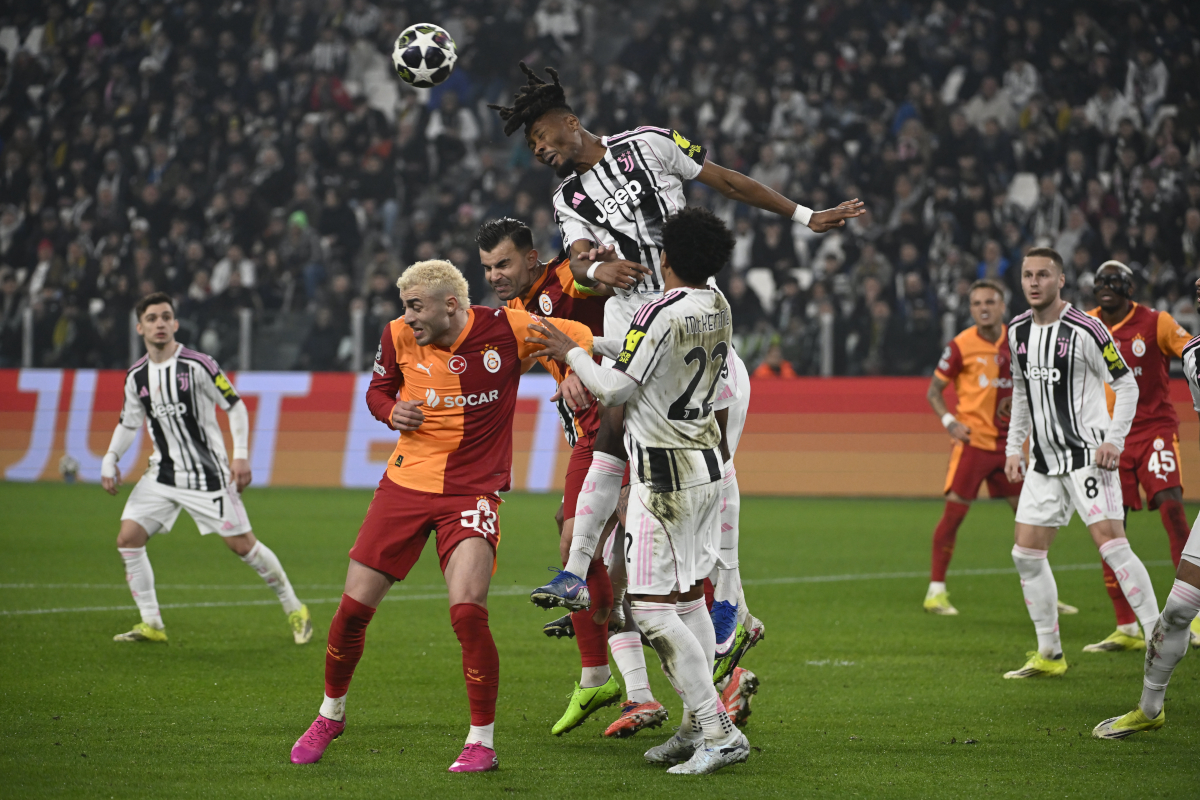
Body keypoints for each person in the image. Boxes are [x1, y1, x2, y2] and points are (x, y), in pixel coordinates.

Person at [288, 259, 593, 773]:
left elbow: (579, 332)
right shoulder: (396, 336)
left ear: (451, 304)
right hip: (404, 486)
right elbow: (377, 390)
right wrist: (390, 411)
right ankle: (330, 713)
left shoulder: (507, 329)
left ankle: (481, 742)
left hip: (473, 493)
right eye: (404, 308)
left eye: (415, 307)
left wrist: (571, 372)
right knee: (351, 613)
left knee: (468, 613)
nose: (407, 318)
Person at [528, 207, 748, 774]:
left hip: (663, 477)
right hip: (706, 467)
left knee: (649, 610)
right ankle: (694, 726)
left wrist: (569, 352)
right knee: (683, 600)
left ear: (665, 258)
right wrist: (583, 339)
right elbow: (639, 355)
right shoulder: (717, 305)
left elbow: (617, 385)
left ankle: (719, 731)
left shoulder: (658, 310)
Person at [477, 217, 636, 736]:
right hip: (586, 435)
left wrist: (607, 265)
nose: (495, 275)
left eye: (503, 264)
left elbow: (603, 288)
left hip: (625, 425)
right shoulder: (514, 310)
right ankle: (601, 676)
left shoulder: (569, 276)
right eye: (486, 268)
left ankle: (718, 646)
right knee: (576, 537)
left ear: (530, 257)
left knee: (613, 548)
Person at [100, 292, 311, 645]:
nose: (160, 323)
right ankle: (152, 623)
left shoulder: (198, 365)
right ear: (140, 327)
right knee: (128, 539)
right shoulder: (136, 376)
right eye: (152, 318)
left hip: (207, 477)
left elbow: (235, 407)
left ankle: (295, 608)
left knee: (243, 546)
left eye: (166, 316)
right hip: (162, 474)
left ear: (176, 323)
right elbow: (128, 422)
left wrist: (240, 455)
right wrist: (110, 457)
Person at [1002, 248, 1159, 679]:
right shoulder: (1016, 331)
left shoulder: (1087, 329)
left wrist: (1114, 440)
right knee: (1026, 554)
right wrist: (1013, 448)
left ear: (1061, 280)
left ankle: (1156, 636)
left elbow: (1125, 385)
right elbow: (1020, 392)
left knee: (1113, 546)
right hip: (1043, 461)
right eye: (1028, 275)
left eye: (1043, 275)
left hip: (1088, 457)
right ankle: (1050, 654)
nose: (1034, 282)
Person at [1093, 281, 1200, 739]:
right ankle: (1149, 709)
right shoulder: (1194, 356)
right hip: (1127, 436)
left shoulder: (1163, 328)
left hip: (1152, 430)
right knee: (1176, 612)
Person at [923, 279, 1023, 615]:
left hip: (1010, 446)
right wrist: (950, 422)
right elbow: (934, 391)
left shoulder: (1020, 340)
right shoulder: (961, 345)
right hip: (973, 444)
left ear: (1002, 306)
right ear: (970, 309)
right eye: (977, 303)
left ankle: (1040, 591)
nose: (983, 308)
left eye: (990, 302)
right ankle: (935, 591)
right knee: (953, 516)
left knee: (1030, 519)